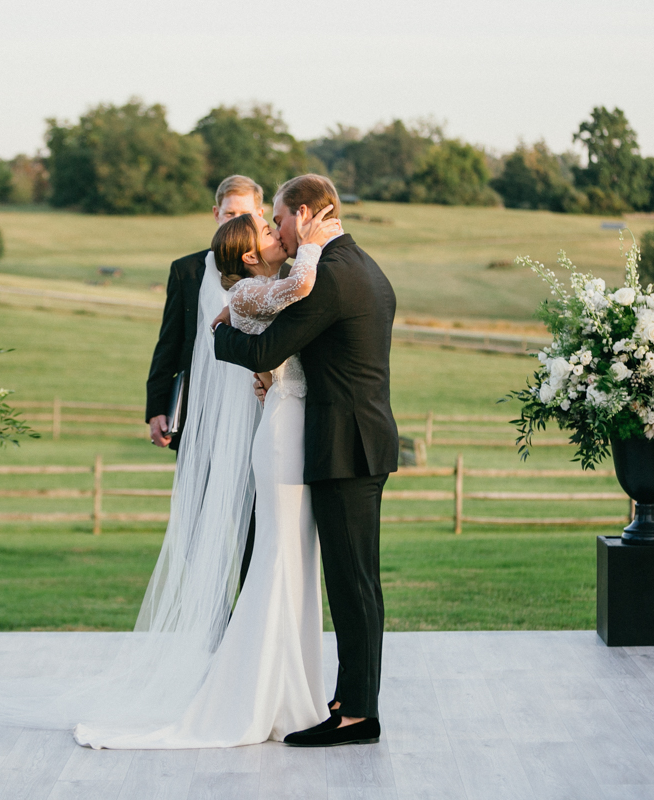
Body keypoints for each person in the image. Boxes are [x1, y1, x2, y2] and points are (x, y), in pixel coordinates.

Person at [74, 205, 344, 749]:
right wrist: (314, 238)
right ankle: (258, 688)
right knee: (276, 559)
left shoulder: (259, 291)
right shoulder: (246, 293)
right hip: (282, 437)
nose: (277, 232)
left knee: (289, 559)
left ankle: (286, 684)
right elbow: (305, 282)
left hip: (287, 422)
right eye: (270, 231)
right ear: (248, 256)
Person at [213, 174, 398, 748]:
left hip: (344, 446)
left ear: (306, 214)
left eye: (280, 218)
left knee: (352, 584)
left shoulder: (330, 276)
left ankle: (357, 714)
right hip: (359, 439)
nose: (279, 230)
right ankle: (350, 698)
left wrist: (220, 337)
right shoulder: (362, 262)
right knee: (356, 580)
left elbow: (267, 350)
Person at [145, 174, 265, 585]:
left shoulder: (273, 270)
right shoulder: (187, 270)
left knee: (253, 523)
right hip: (200, 416)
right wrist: (157, 407)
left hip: (256, 415)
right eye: (228, 213)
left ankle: (247, 621)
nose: (234, 220)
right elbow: (169, 342)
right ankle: (205, 623)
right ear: (216, 214)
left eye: (244, 214)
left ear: (260, 215)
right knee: (196, 525)